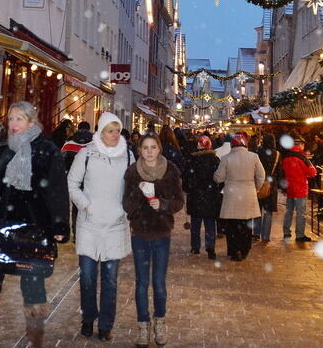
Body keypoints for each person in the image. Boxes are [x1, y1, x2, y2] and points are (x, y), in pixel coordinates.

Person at [0, 102, 69, 348]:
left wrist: (60, 226)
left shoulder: (47, 150)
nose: (13, 124)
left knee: (33, 287)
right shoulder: (3, 151)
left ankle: (36, 340)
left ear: (32, 122)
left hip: (32, 230)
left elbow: (57, 190)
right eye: (11, 119)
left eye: (19, 119)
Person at [67, 112, 134, 342]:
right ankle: (88, 317)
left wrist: (126, 209)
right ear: (101, 132)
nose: (114, 135)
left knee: (110, 280)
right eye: (110, 130)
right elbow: (72, 183)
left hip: (115, 225)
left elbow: (134, 186)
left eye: (117, 130)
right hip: (89, 225)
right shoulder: (86, 154)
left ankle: (106, 324)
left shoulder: (128, 155)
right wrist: (86, 205)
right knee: (87, 277)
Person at [123, 135, 185, 347]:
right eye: (145, 148)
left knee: (159, 283)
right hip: (140, 232)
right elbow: (126, 205)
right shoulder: (132, 172)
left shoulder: (171, 171)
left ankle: (160, 321)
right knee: (141, 283)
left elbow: (179, 201)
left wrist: (163, 204)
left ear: (159, 149)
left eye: (153, 147)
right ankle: (143, 324)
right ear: (139, 150)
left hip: (161, 233)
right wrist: (140, 195)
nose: (149, 151)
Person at [214, 132, 265, 261]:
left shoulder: (226, 158)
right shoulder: (254, 157)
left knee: (232, 224)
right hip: (248, 193)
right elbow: (261, 175)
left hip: (231, 194)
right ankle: (245, 249)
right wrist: (256, 188)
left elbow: (219, 177)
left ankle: (234, 250)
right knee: (246, 224)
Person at [183, 134, 221, 258]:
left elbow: (186, 178)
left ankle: (195, 247)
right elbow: (220, 179)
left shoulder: (193, 160)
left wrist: (189, 188)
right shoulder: (215, 160)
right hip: (211, 197)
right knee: (210, 223)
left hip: (196, 196)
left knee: (196, 223)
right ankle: (210, 248)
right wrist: (215, 189)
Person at [281, 136, 318, 243]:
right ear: (300, 144)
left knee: (289, 211)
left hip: (290, 188)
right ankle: (300, 235)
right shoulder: (302, 157)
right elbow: (312, 172)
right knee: (301, 212)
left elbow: (283, 171)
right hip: (300, 188)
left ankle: (286, 232)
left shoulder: (286, 156)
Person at [256, 133, 281, 243]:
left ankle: (256, 233)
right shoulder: (277, 154)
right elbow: (279, 171)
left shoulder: (258, 153)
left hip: (259, 183)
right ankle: (265, 236)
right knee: (268, 211)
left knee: (257, 210)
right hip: (271, 184)